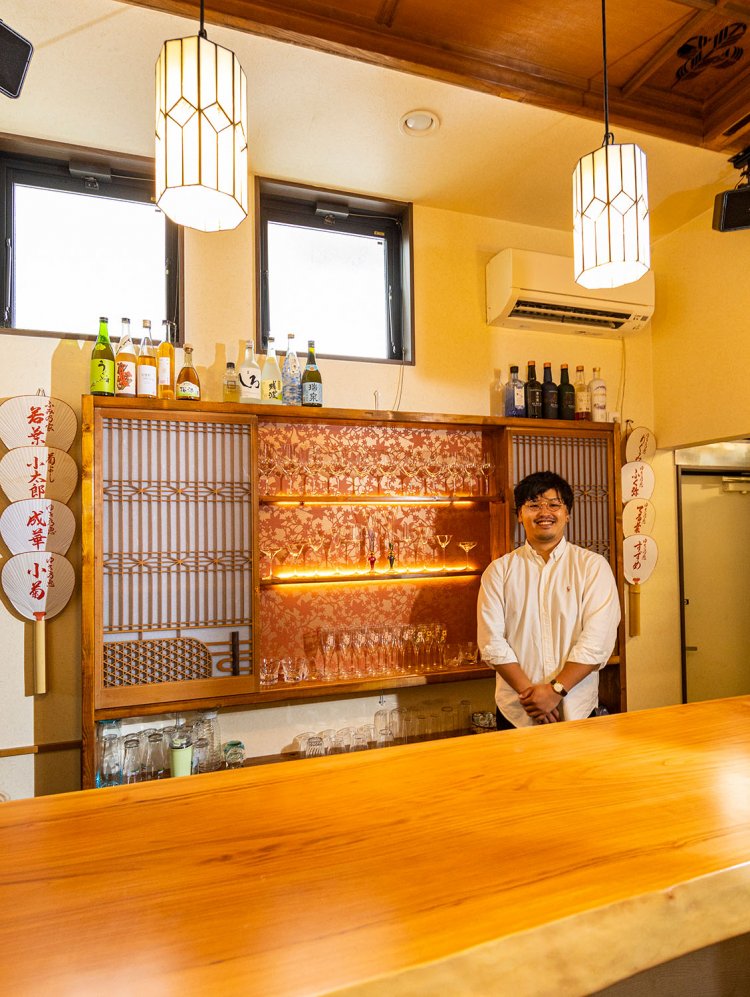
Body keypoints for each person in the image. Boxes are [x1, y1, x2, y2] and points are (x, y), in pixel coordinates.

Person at [477, 470, 620, 729]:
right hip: (517, 710)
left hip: (576, 707)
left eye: (554, 505)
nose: (544, 512)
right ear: (520, 515)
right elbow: (492, 642)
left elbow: (597, 640)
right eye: (533, 505)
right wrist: (533, 697)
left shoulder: (592, 567)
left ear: (567, 514)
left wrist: (555, 691)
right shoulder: (499, 571)